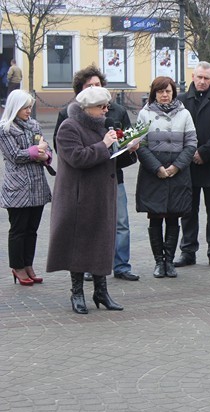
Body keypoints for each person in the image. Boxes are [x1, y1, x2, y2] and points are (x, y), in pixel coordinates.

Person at [47, 86, 136, 314]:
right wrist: (105, 144)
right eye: (101, 107)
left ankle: (101, 292)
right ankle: (77, 293)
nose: (106, 111)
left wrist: (130, 149)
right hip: (78, 198)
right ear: (86, 108)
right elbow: (78, 158)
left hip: (103, 195)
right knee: (78, 245)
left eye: (107, 106)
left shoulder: (102, 126)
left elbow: (112, 160)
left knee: (101, 242)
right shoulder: (69, 127)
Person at [136, 76, 197, 279]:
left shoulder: (185, 114)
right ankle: (158, 261)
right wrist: (157, 168)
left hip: (177, 173)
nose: (164, 95)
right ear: (154, 93)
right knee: (155, 217)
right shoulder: (144, 114)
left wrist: (176, 167)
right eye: (160, 91)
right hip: (153, 173)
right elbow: (140, 145)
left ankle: (169, 261)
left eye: (168, 91)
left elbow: (191, 143)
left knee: (173, 216)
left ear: (173, 93)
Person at [175, 61, 210, 269]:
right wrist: (191, 153)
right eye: (199, 77)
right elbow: (177, 130)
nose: (202, 81)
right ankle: (188, 250)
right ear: (193, 76)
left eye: (206, 78)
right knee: (188, 210)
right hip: (187, 164)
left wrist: (204, 153)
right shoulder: (180, 100)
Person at [0, 90, 52, 286]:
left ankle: (28, 264)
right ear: (15, 107)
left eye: (30, 107)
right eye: (25, 107)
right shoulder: (5, 129)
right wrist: (35, 152)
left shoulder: (34, 125)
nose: (29, 111)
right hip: (18, 188)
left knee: (32, 230)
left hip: (37, 185)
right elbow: (14, 155)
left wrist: (46, 155)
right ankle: (17, 266)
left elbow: (46, 147)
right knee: (18, 229)